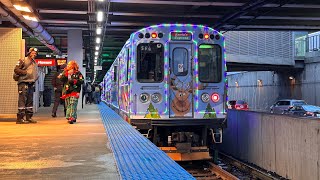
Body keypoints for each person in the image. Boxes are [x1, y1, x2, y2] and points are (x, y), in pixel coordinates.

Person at [14, 47, 39, 124]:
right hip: (23, 83)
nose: (34, 54)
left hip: (31, 83)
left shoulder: (34, 62)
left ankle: (29, 117)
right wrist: (25, 72)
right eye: (32, 53)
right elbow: (16, 69)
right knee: (22, 100)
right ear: (29, 53)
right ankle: (20, 118)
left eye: (35, 53)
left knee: (29, 101)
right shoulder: (23, 60)